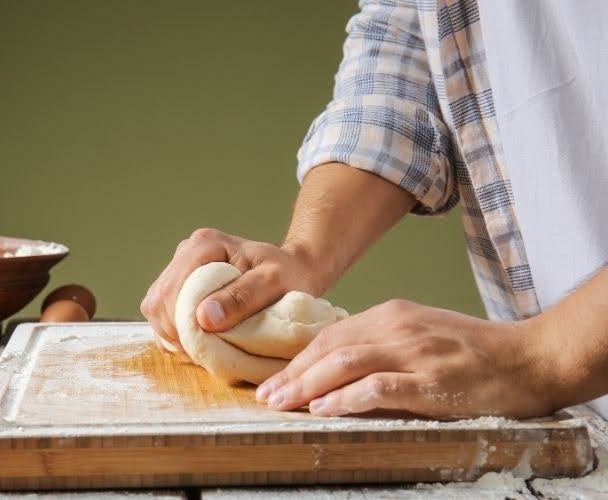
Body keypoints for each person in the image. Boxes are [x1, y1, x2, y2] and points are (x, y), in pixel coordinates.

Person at [140, 0, 608, 420]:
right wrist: (305, 253)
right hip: (565, 416)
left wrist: (538, 357)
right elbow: (411, 41)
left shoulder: (532, 362)